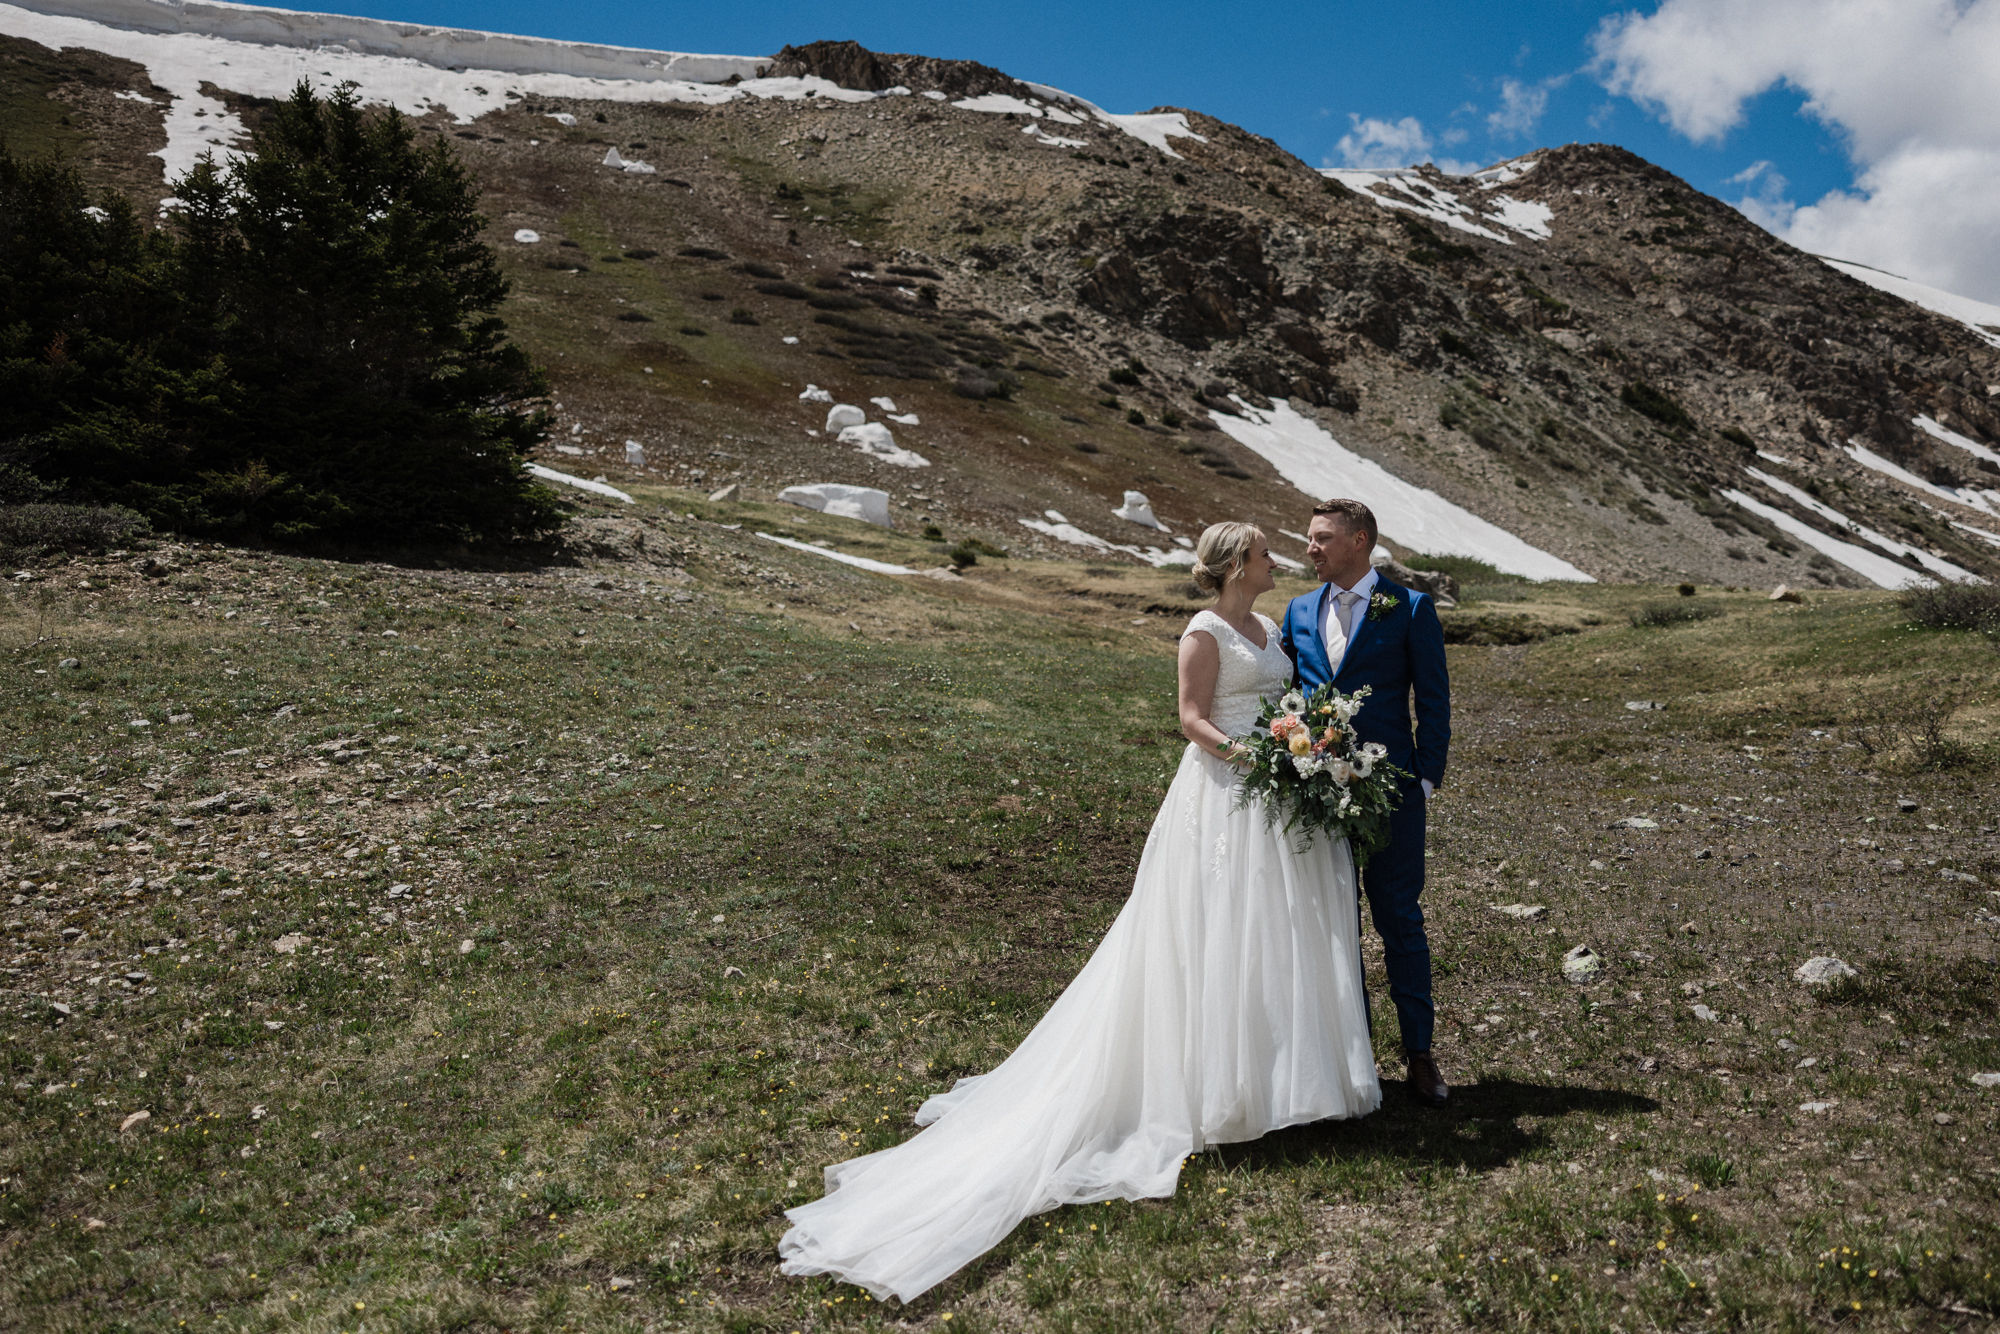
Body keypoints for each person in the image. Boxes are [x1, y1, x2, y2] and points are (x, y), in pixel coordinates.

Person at [779, 523, 1380, 1303]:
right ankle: (1219, 1091)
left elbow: (1285, 699)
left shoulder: (1267, 627)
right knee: (1217, 934)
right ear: (1238, 564)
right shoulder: (1201, 632)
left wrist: (1304, 749)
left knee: (1274, 932)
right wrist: (1262, 760)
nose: (1278, 561)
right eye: (1266, 552)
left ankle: (1282, 1083)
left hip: (1277, 796)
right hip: (1227, 795)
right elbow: (1193, 719)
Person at [1279, 498, 1452, 1107]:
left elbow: (1433, 701)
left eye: (1322, 538)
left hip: (1393, 795)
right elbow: (1286, 699)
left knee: (1399, 918)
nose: (1310, 548)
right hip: (1317, 796)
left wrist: (1424, 780)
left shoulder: (1409, 608)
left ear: (1360, 541)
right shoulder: (1298, 610)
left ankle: (1420, 1054)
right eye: (1309, 537)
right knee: (1332, 924)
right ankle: (1351, 1059)